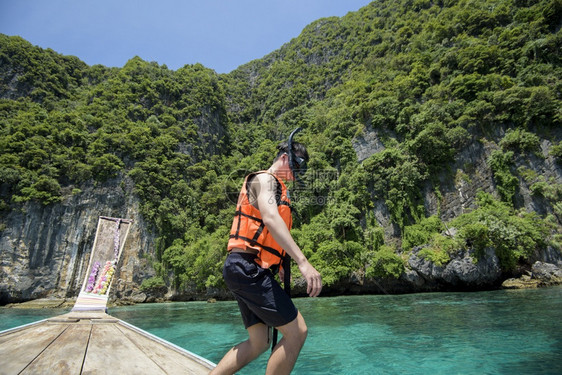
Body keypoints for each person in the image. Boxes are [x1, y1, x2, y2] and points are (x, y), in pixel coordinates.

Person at [210, 131, 322, 375]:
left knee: (258, 342)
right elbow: (270, 218)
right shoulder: (265, 180)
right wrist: (302, 262)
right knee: (297, 332)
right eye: (298, 165)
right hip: (247, 268)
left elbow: (266, 233)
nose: (298, 173)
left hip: (243, 268)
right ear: (284, 157)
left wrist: (280, 264)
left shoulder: (278, 188)